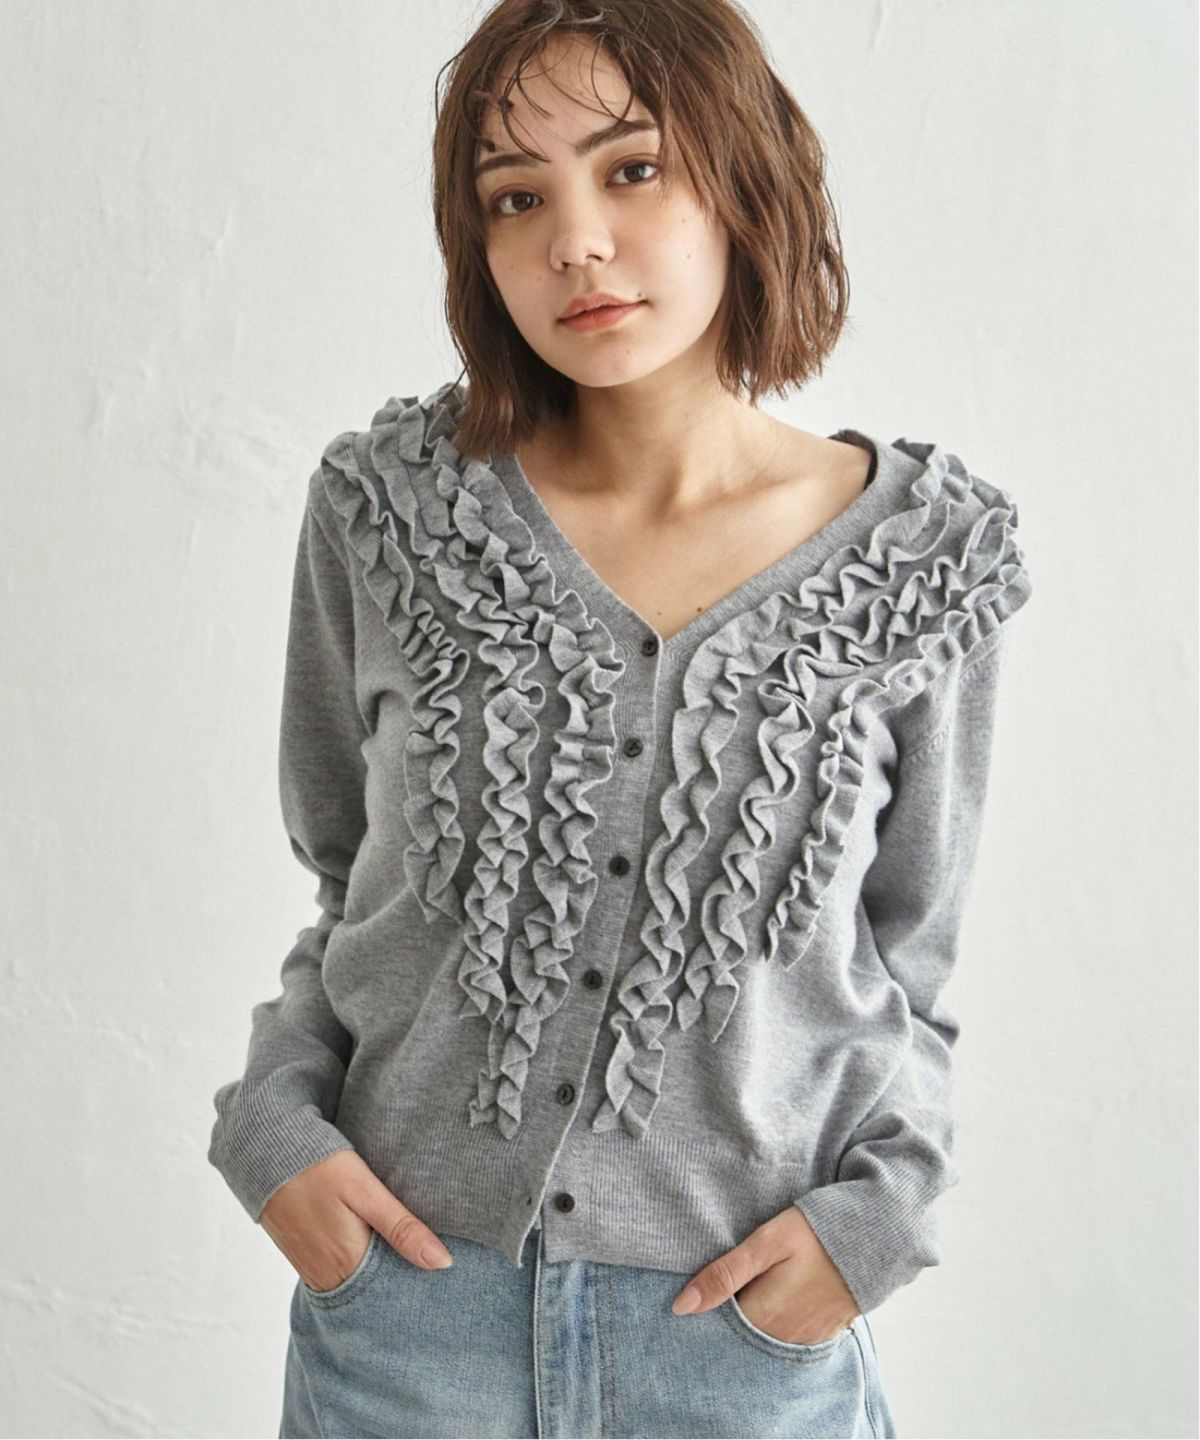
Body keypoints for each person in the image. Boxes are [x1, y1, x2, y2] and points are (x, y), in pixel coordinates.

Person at [207, 2, 1033, 1436]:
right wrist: (273, 1131)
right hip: (405, 1322)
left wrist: (880, 1221)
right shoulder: (388, 513)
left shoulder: (924, 562)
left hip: (740, 1343)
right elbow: (346, 886)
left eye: (632, 169)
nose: (575, 242)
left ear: (743, 176)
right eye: (515, 198)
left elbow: (910, 961)